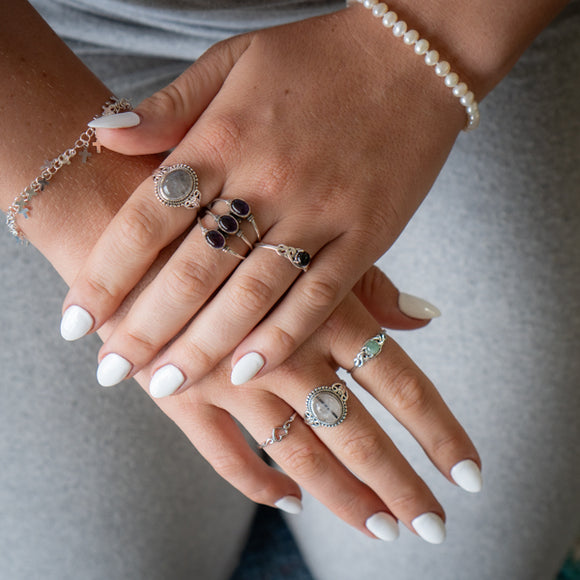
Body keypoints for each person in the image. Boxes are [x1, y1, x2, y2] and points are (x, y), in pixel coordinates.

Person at [1, 1, 578, 579]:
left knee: (460, 563)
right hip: (42, 58)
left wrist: (415, 52)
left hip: (440, 31)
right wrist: (92, 208)